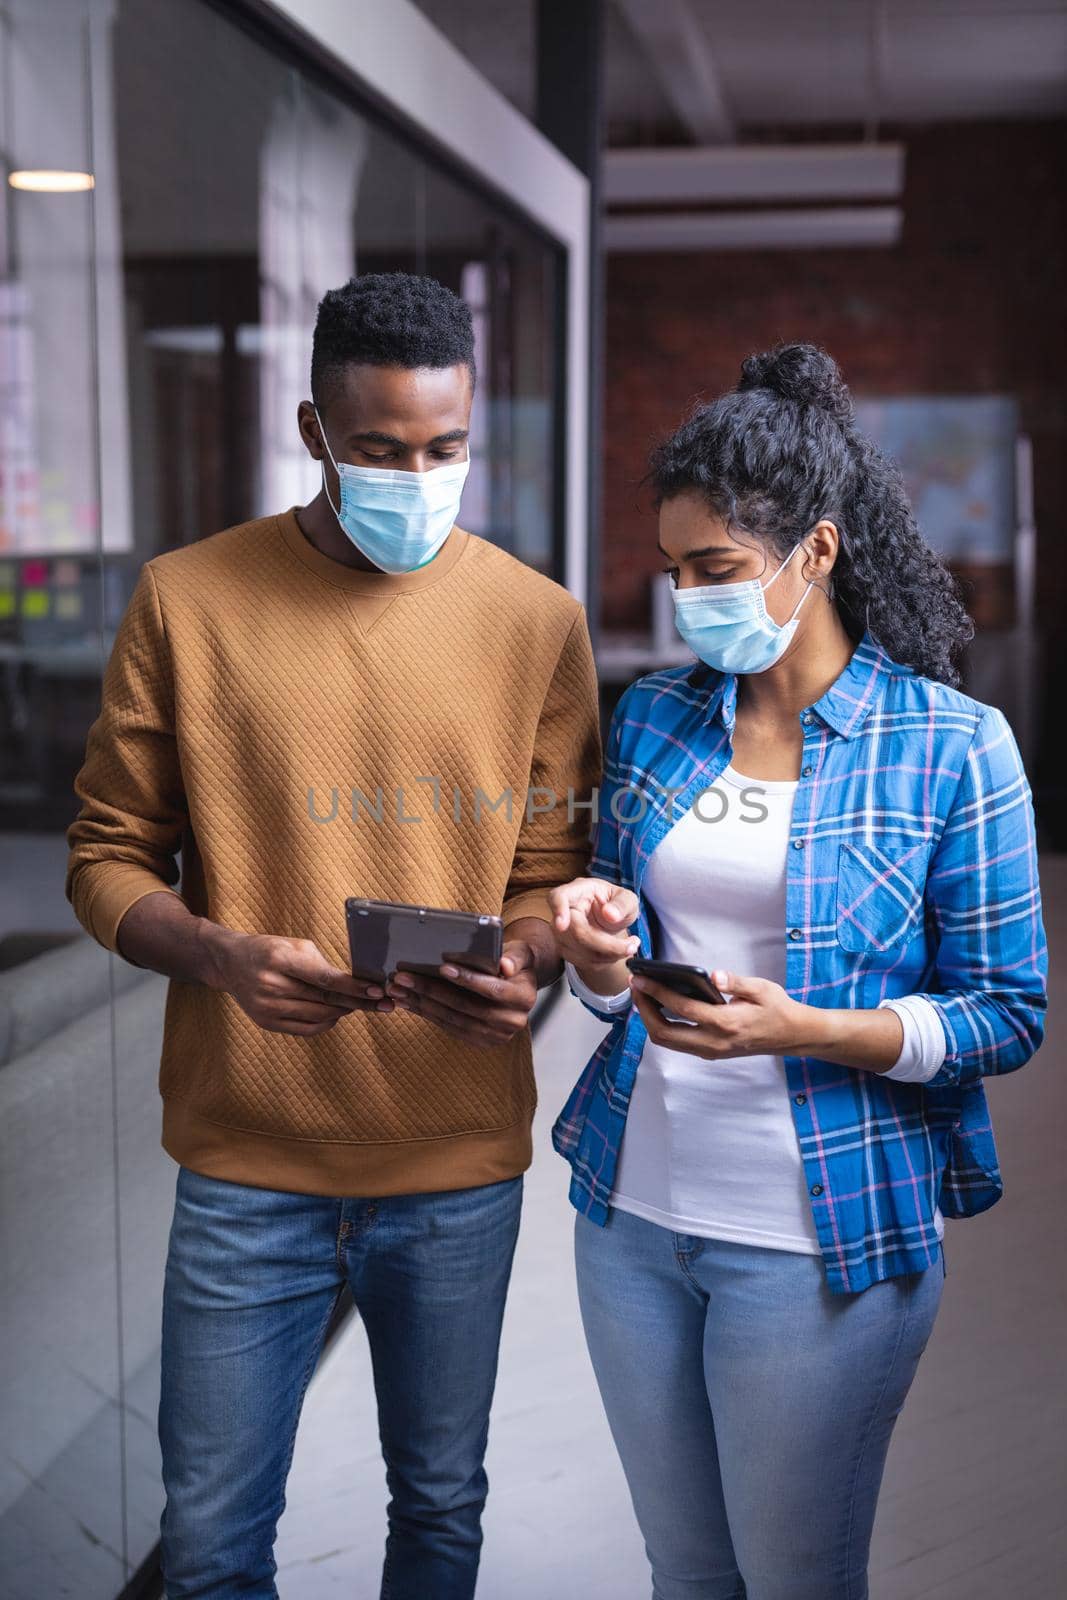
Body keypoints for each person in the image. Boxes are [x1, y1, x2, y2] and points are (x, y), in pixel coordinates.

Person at [65, 270, 601, 1600]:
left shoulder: (537, 622)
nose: (416, 477)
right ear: (312, 431)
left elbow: (551, 870)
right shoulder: (188, 602)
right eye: (377, 449)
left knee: (436, 1508)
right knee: (208, 1544)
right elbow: (106, 857)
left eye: (445, 448)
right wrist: (217, 955)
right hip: (250, 1161)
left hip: (452, 1158)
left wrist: (521, 963)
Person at [548, 342, 1047, 1600]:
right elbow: (618, 976)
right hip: (631, 1220)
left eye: (714, 569)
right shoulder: (656, 714)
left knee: (793, 1578)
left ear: (812, 553)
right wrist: (601, 953)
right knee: (685, 1574)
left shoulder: (951, 745)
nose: (688, 598)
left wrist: (809, 1028)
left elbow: (1005, 1013)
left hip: (816, 1240)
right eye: (674, 571)